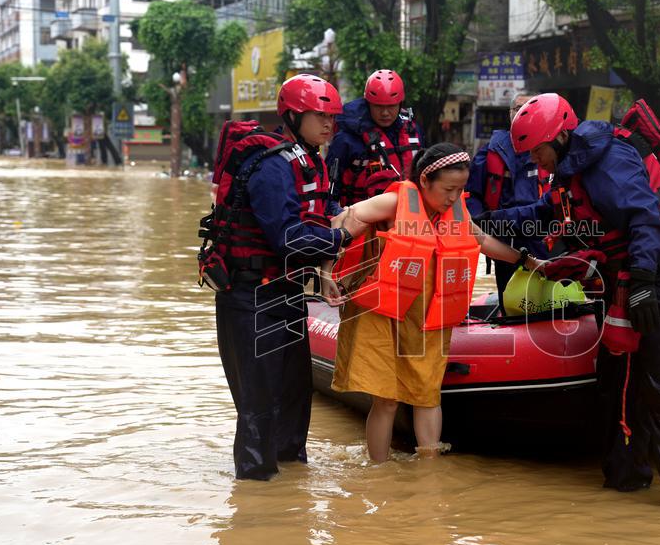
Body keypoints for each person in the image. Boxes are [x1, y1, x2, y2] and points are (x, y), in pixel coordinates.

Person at [486, 94, 660, 509]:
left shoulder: (609, 162)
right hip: (623, 287)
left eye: (538, 150)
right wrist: (488, 223)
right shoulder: (568, 170)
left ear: (558, 136)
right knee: (616, 385)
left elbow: (646, 218)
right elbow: (546, 213)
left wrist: (644, 282)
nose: (537, 162)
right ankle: (627, 478)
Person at [322, 143, 542, 462]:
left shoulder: (454, 213)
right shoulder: (395, 202)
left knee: (427, 394)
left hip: (425, 317)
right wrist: (327, 271)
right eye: (448, 189)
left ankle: (429, 472)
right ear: (425, 181)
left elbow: (482, 242)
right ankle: (378, 474)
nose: (454, 198)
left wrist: (526, 260)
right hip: (382, 313)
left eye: (461, 189)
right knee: (386, 400)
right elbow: (343, 221)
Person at [208, 74, 366, 481]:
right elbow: (288, 239)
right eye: (320, 116)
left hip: (287, 293)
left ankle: (293, 489)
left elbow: (315, 219)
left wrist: (326, 265)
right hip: (251, 297)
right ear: (294, 116)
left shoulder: (310, 159)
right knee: (258, 403)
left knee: (296, 394)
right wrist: (341, 236)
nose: (330, 124)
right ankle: (257, 495)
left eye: (333, 116)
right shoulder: (273, 167)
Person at [465, 92, 553, 310]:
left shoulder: (550, 149)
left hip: (541, 234)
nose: (523, 113)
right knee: (508, 295)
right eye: (518, 108)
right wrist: (480, 226)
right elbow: (472, 194)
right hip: (503, 234)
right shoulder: (491, 151)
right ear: (510, 113)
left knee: (546, 294)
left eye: (530, 107)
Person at [326, 69, 424, 207]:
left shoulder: (413, 131)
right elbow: (329, 190)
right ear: (368, 103)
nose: (385, 113)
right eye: (378, 106)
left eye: (391, 106)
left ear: (400, 104)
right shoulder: (346, 139)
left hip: (408, 216)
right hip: (362, 221)